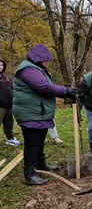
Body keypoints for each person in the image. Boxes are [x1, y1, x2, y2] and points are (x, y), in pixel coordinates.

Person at [12, 44, 77, 185]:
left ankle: (40, 165)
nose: (47, 62)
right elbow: (44, 87)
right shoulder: (27, 69)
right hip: (30, 113)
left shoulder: (37, 68)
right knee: (32, 143)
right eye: (45, 59)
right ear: (37, 58)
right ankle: (29, 175)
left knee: (40, 140)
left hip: (38, 113)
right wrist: (66, 91)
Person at [0, 57, 21, 146]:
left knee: (9, 123)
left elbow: (13, 89)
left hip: (9, 105)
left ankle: (10, 139)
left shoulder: (6, 77)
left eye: (1, 65)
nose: (0, 66)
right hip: (0, 106)